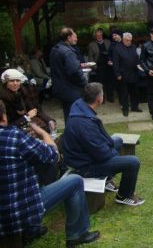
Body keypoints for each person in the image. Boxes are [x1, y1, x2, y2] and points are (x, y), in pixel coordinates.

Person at [0, 100, 100, 247]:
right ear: (3, 116)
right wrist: (43, 133)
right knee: (75, 181)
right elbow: (53, 155)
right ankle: (77, 234)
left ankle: (31, 230)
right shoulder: (13, 137)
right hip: (15, 214)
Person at [63, 83, 144, 206]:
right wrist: (114, 154)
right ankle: (124, 196)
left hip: (85, 156)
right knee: (133, 162)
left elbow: (98, 144)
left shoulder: (80, 106)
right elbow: (101, 155)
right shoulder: (84, 124)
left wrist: (110, 147)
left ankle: (107, 179)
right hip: (84, 166)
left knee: (117, 140)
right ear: (99, 99)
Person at [0, 69, 56, 135]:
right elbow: (5, 126)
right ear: (6, 83)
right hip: (13, 132)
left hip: (26, 125)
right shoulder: (2, 101)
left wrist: (49, 120)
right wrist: (27, 117)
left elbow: (34, 110)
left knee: (47, 127)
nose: (15, 83)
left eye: (17, 80)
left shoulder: (21, 94)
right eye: (12, 81)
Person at [49, 27, 87, 122]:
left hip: (61, 89)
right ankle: (76, 136)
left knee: (69, 116)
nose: (76, 39)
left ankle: (70, 135)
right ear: (69, 37)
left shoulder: (55, 49)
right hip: (71, 91)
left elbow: (61, 67)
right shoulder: (67, 52)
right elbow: (74, 72)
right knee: (77, 117)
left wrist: (77, 64)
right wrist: (84, 82)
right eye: (75, 36)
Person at [113, 32, 142, 116]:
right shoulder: (117, 48)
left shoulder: (133, 46)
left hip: (134, 73)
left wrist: (139, 65)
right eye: (127, 40)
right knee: (124, 93)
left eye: (130, 40)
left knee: (135, 92)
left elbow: (136, 58)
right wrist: (117, 74)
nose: (129, 42)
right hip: (123, 74)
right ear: (123, 39)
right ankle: (125, 109)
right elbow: (115, 63)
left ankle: (135, 107)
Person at [87, 28, 114, 102]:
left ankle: (110, 97)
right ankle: (102, 99)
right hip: (99, 67)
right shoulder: (91, 45)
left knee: (110, 82)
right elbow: (90, 57)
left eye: (100, 35)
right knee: (100, 84)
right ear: (95, 36)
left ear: (102, 35)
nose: (99, 37)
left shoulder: (108, 42)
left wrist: (112, 61)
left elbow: (113, 53)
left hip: (109, 66)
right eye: (97, 35)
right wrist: (94, 68)